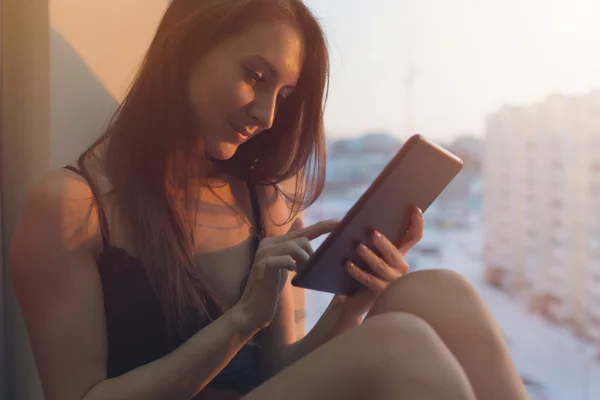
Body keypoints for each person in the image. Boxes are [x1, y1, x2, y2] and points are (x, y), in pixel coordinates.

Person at [9, 0, 529, 399]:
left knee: (439, 292)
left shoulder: (266, 201)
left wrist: (354, 300)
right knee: (401, 346)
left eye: (283, 94)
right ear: (186, 48)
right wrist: (241, 321)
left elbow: (281, 374)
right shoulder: (71, 205)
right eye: (255, 76)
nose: (267, 114)